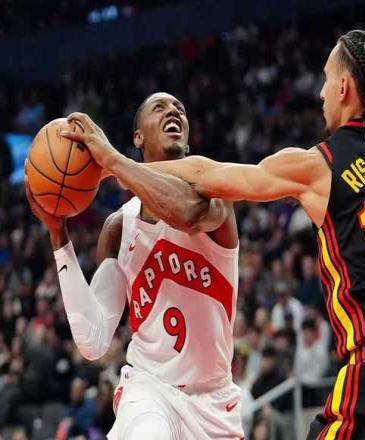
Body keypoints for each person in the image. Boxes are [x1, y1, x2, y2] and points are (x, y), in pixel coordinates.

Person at [61, 30, 365, 439]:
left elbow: (208, 175)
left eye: (326, 80)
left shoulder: (318, 164)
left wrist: (113, 162)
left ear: (343, 88)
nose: (320, 93)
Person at [26, 92, 244, 439]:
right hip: (149, 389)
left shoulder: (214, 193)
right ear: (138, 137)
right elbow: (94, 340)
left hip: (214, 402)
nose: (173, 111)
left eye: (179, 108)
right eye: (160, 107)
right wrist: (58, 237)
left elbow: (186, 214)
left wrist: (113, 160)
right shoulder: (118, 227)